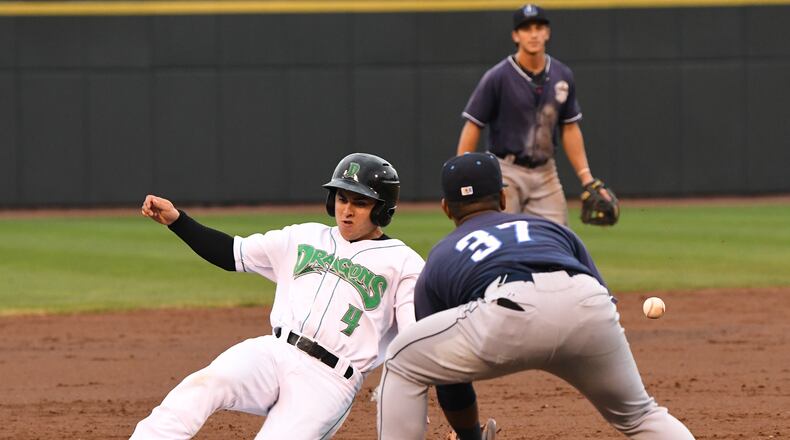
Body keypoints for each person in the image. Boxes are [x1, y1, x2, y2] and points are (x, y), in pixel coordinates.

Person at [376, 152, 695, 440]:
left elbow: (449, 381)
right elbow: (604, 298)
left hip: (510, 312)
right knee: (640, 415)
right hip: (588, 307)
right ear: (503, 198)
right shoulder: (550, 229)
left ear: (446, 208)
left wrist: (470, 435)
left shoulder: (442, 255)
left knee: (402, 360)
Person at [131, 152, 424, 439]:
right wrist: (177, 220)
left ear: (382, 210)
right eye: (342, 198)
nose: (346, 210)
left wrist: (412, 399)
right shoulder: (303, 236)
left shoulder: (404, 263)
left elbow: (415, 340)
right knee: (206, 383)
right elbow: (231, 253)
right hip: (274, 353)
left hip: (329, 382)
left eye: (360, 203)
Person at [457, 4, 612, 226]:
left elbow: (569, 127)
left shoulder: (562, 74)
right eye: (526, 28)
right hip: (505, 171)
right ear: (515, 35)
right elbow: (473, 125)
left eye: (539, 28)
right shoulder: (498, 76)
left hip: (545, 173)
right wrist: (463, 174)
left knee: (558, 241)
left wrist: (586, 177)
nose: (533, 34)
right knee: (503, 242)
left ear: (547, 33)